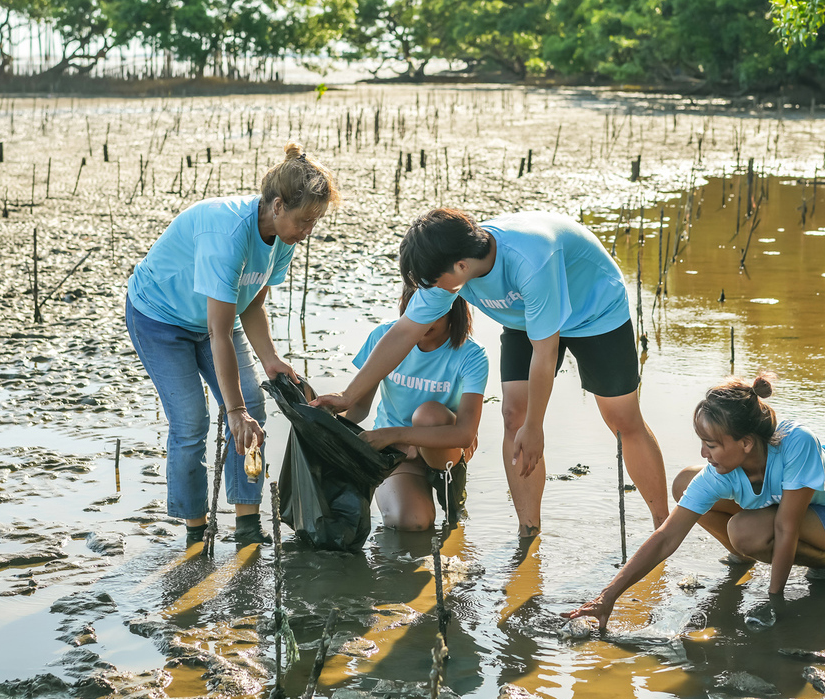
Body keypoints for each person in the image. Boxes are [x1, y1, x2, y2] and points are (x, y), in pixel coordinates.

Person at [314, 208, 668, 536]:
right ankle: (528, 533)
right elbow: (403, 332)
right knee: (514, 413)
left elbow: (545, 353)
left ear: (462, 266)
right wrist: (348, 396)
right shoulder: (451, 270)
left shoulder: (531, 260)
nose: (429, 291)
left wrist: (536, 428)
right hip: (524, 315)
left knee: (622, 419)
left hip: (595, 311)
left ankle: (662, 527)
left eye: (432, 282)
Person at [125, 142, 339, 546]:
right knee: (192, 422)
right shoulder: (228, 235)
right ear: (277, 205)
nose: (309, 231)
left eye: (317, 221)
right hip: (159, 316)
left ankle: (246, 524)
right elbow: (219, 331)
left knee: (253, 407)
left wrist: (271, 359)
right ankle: (194, 530)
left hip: (214, 319)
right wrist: (234, 409)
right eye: (306, 220)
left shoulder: (283, 238)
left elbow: (252, 303)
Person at [563, 373, 825, 630]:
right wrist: (608, 596)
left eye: (711, 445)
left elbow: (786, 526)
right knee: (685, 484)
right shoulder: (721, 471)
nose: (703, 454)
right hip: (783, 508)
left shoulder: (797, 443)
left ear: (746, 443)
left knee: (746, 532)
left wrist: (773, 601)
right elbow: (667, 536)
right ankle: (745, 553)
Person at [342, 286, 488, 531]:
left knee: (428, 414)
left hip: (442, 451)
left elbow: (465, 434)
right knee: (412, 523)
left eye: (435, 312)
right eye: (418, 310)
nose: (425, 321)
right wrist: (319, 417)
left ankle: (453, 502)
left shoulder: (472, 354)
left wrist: (396, 435)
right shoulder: (383, 337)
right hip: (394, 454)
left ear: (454, 311)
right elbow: (358, 409)